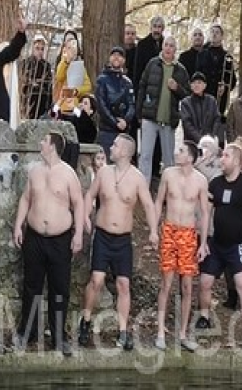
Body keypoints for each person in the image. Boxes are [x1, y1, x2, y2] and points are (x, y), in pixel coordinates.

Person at [78, 134, 156, 351]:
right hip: (102, 235)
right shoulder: (104, 173)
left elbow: (148, 205)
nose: (111, 147)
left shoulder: (137, 178)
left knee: (123, 284)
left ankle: (123, 331)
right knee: (96, 280)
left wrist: (153, 231)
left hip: (122, 239)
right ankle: (85, 320)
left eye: (115, 145)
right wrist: (85, 216)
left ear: (125, 152)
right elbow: (89, 195)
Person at [12, 132, 84, 356]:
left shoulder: (68, 173)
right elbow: (26, 198)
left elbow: (79, 204)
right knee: (31, 286)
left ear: (52, 146)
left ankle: (58, 336)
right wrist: (18, 225)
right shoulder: (35, 171)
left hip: (59, 239)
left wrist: (78, 234)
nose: (41, 143)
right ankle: (28, 332)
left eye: (44, 140)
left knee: (59, 288)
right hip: (34, 237)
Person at [195, 142, 242, 351]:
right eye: (222, 155)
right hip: (216, 244)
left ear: (237, 161)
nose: (221, 160)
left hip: (237, 246)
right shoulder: (215, 183)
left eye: (226, 156)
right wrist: (203, 243)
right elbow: (206, 214)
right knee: (205, 281)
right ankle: (204, 317)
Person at [152, 141, 209, 351]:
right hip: (170, 230)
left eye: (182, 151)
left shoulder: (201, 180)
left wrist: (203, 243)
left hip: (188, 233)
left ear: (191, 157)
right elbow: (158, 202)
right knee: (166, 282)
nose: (177, 153)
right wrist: (153, 230)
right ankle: (160, 331)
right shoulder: (168, 174)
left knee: (187, 285)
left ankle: (183, 333)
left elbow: (205, 213)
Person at [136, 36, 190, 181]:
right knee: (145, 156)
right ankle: (143, 188)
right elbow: (142, 86)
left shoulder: (181, 70)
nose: (168, 48)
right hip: (149, 117)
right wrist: (139, 112)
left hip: (168, 120)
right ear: (162, 47)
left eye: (171, 46)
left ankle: (169, 188)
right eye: (166, 45)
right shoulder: (152, 64)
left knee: (168, 159)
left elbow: (187, 95)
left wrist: (177, 88)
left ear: (175, 49)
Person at [94, 46, 135, 157]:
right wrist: (115, 122)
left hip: (123, 131)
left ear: (124, 60)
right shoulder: (102, 80)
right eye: (114, 55)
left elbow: (131, 104)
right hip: (107, 130)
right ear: (110, 58)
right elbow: (101, 105)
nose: (116, 57)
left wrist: (125, 121)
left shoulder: (128, 82)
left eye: (120, 55)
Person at [179, 72, 219, 145]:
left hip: (209, 142)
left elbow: (216, 119)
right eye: (194, 83)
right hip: (191, 143)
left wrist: (211, 137)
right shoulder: (186, 103)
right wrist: (200, 139)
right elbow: (187, 124)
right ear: (191, 86)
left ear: (204, 85)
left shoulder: (211, 101)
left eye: (199, 83)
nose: (196, 85)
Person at [20, 34, 53, 120]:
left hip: (42, 102)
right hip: (28, 102)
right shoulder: (26, 64)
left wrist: (49, 106)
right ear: (33, 48)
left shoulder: (46, 65)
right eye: (37, 48)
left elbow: (49, 86)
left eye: (42, 49)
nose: (40, 51)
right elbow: (24, 83)